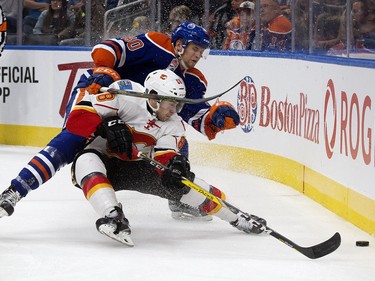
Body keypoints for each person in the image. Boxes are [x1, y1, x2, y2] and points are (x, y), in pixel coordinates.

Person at [0, 22, 240, 221]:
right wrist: (105, 69)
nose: (198, 56)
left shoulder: (194, 80)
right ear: (179, 44)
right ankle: (14, 191)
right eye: (195, 49)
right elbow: (109, 47)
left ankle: (177, 198)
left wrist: (215, 117)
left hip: (136, 117)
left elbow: (192, 115)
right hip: (101, 97)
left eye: (202, 51)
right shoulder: (157, 43)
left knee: (178, 151)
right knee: (72, 140)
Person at [70, 69, 266, 245]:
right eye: (171, 104)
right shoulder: (124, 96)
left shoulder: (174, 124)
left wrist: (175, 166)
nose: (174, 110)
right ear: (154, 98)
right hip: (105, 162)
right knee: (85, 161)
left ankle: (237, 217)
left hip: (139, 170)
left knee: (185, 183)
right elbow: (77, 119)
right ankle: (113, 217)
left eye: (178, 105)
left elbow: (165, 155)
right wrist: (108, 124)